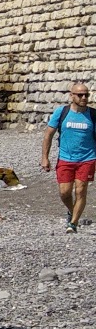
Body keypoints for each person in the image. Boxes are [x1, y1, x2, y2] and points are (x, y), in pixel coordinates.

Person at [43, 83, 94, 233]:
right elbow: (48, 135)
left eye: (86, 95)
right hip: (66, 158)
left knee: (81, 190)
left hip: (88, 158)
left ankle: (73, 223)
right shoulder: (62, 112)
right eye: (80, 95)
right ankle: (72, 211)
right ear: (71, 95)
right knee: (65, 193)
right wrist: (44, 158)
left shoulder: (93, 115)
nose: (84, 98)